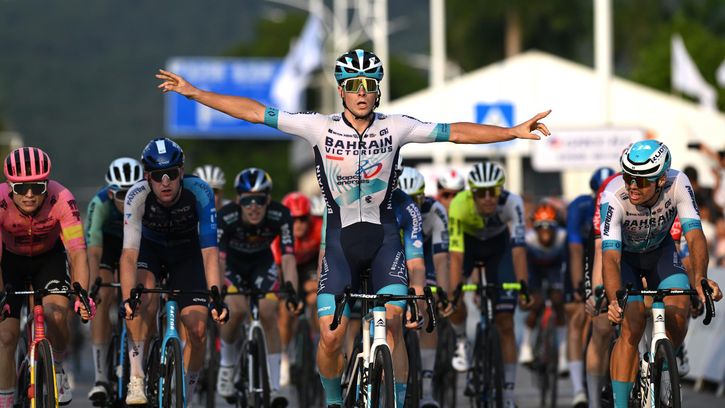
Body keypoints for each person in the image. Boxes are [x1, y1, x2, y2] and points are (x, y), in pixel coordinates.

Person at [156, 48, 551, 408]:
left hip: (384, 239)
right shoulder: (318, 127)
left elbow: (455, 131)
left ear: (377, 91)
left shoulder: (396, 126)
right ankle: (332, 400)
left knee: (393, 325)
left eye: (369, 85)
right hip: (341, 243)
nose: (361, 92)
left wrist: (511, 131)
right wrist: (196, 93)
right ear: (341, 91)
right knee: (331, 336)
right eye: (353, 85)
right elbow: (255, 112)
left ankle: (398, 401)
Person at [602, 140, 723, 408]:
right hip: (626, 259)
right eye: (628, 177)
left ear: (661, 180)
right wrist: (613, 300)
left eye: (641, 180)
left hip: (661, 253)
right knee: (632, 325)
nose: (632, 186)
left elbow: (694, 235)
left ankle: (664, 372)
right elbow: (610, 257)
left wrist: (700, 278)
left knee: (679, 310)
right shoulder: (614, 194)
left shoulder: (678, 183)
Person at [120, 138, 226, 405]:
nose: (165, 182)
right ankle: (136, 377)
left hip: (187, 254)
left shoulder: (200, 191)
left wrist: (216, 297)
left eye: (171, 174)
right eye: (158, 176)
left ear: (182, 172)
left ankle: (185, 396)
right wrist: (127, 297)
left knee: (198, 330)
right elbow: (129, 255)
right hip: (150, 252)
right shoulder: (136, 195)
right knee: (140, 300)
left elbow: (210, 252)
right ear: (147, 177)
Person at [0, 147, 94, 406]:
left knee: (57, 316)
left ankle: (58, 365)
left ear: (47, 184)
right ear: (10, 187)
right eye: (22, 188)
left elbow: (77, 251)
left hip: (48, 259)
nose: (30, 195)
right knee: (6, 337)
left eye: (37, 187)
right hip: (9, 262)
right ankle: (5, 400)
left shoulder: (61, 197)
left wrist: (82, 294)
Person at [447, 161, 532, 408]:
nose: (487, 198)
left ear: (500, 190)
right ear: (472, 193)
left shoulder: (512, 202)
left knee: (505, 322)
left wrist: (523, 286)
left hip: (499, 249)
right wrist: (454, 291)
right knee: (454, 298)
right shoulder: (459, 205)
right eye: (481, 193)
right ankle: (462, 341)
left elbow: (518, 248)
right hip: (468, 246)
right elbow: (456, 255)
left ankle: (508, 395)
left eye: (493, 192)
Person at [215, 168, 302, 406]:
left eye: (260, 200)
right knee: (237, 310)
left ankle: (274, 388)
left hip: (262, 265)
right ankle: (227, 364)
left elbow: (288, 258)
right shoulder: (226, 216)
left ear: (269, 200)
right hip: (232, 266)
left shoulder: (280, 214)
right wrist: (218, 292)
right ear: (238, 200)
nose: (254, 207)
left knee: (268, 312)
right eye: (247, 201)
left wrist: (292, 291)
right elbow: (219, 261)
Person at [85, 157, 143, 402]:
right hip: (108, 248)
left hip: (137, 248)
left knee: (141, 296)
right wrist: (93, 285)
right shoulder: (99, 203)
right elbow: (93, 251)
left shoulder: (147, 201)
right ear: (110, 194)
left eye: (132, 193)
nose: (128, 199)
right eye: (121, 195)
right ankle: (101, 378)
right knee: (102, 296)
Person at [398, 165, 451, 408]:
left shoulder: (436, 210)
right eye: (406, 199)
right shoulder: (388, 209)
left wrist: (442, 292)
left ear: (424, 196)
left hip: (425, 255)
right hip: (396, 254)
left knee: (427, 305)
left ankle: (427, 390)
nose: (412, 205)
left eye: (416, 199)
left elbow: (441, 258)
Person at [565, 166, 614, 407]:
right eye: (598, 194)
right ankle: (580, 390)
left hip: (619, 252)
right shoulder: (581, 207)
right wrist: (580, 286)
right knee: (588, 318)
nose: (602, 198)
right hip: (590, 253)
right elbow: (576, 250)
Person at [272, 191, 323, 386]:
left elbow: (325, 258)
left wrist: (319, 281)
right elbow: (279, 270)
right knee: (286, 308)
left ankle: (318, 346)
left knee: (316, 300)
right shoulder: (279, 234)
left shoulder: (318, 228)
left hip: (310, 265)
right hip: (287, 265)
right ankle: (284, 355)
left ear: (310, 217)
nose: (299, 224)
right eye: (294, 219)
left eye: (303, 218)